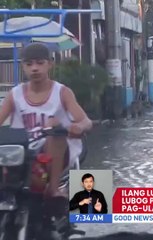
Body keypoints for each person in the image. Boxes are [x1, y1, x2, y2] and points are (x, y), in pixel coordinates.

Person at [0, 43, 92, 197]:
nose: (34, 68)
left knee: (55, 135)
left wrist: (77, 127)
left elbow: (86, 122)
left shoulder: (62, 92)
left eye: (40, 63)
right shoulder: (14, 95)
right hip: (21, 154)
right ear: (23, 66)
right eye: (29, 64)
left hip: (54, 156)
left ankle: (54, 189)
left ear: (50, 64)